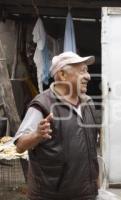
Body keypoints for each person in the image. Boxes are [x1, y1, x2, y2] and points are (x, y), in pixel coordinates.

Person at [14, 52, 100, 200]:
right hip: (52, 195)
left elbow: (91, 149)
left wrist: (95, 180)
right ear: (62, 75)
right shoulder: (43, 105)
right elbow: (20, 145)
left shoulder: (88, 103)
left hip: (87, 193)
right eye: (82, 71)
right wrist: (37, 135)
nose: (88, 77)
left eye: (87, 71)